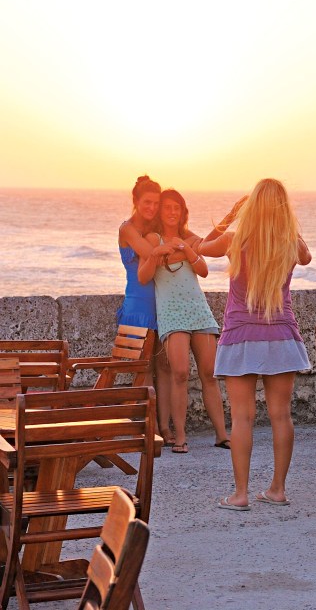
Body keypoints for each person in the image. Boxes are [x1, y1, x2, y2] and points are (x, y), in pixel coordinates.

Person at [201, 180, 311, 511]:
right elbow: (306, 255)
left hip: (241, 338)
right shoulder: (291, 244)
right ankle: (277, 490)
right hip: (280, 336)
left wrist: (231, 215)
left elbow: (201, 247)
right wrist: (287, 226)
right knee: (280, 415)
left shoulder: (235, 241)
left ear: (251, 208)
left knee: (242, 418)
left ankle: (241, 494)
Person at [137, 189, 229, 453]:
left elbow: (204, 270)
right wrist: (157, 254)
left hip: (198, 309)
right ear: (160, 211)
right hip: (172, 312)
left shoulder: (191, 238)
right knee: (179, 373)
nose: (172, 212)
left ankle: (222, 434)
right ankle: (180, 437)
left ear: (183, 211)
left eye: (177, 207)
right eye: (167, 207)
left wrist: (187, 250)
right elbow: (144, 277)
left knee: (209, 373)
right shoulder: (152, 239)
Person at [117, 175, 180, 443]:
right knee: (143, 369)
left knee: (164, 367)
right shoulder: (127, 228)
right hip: (138, 303)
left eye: (156, 203)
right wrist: (167, 247)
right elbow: (146, 252)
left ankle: (164, 427)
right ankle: (147, 427)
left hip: (162, 301)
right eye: (147, 202)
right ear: (136, 201)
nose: (152, 208)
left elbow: (180, 246)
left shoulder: (155, 230)